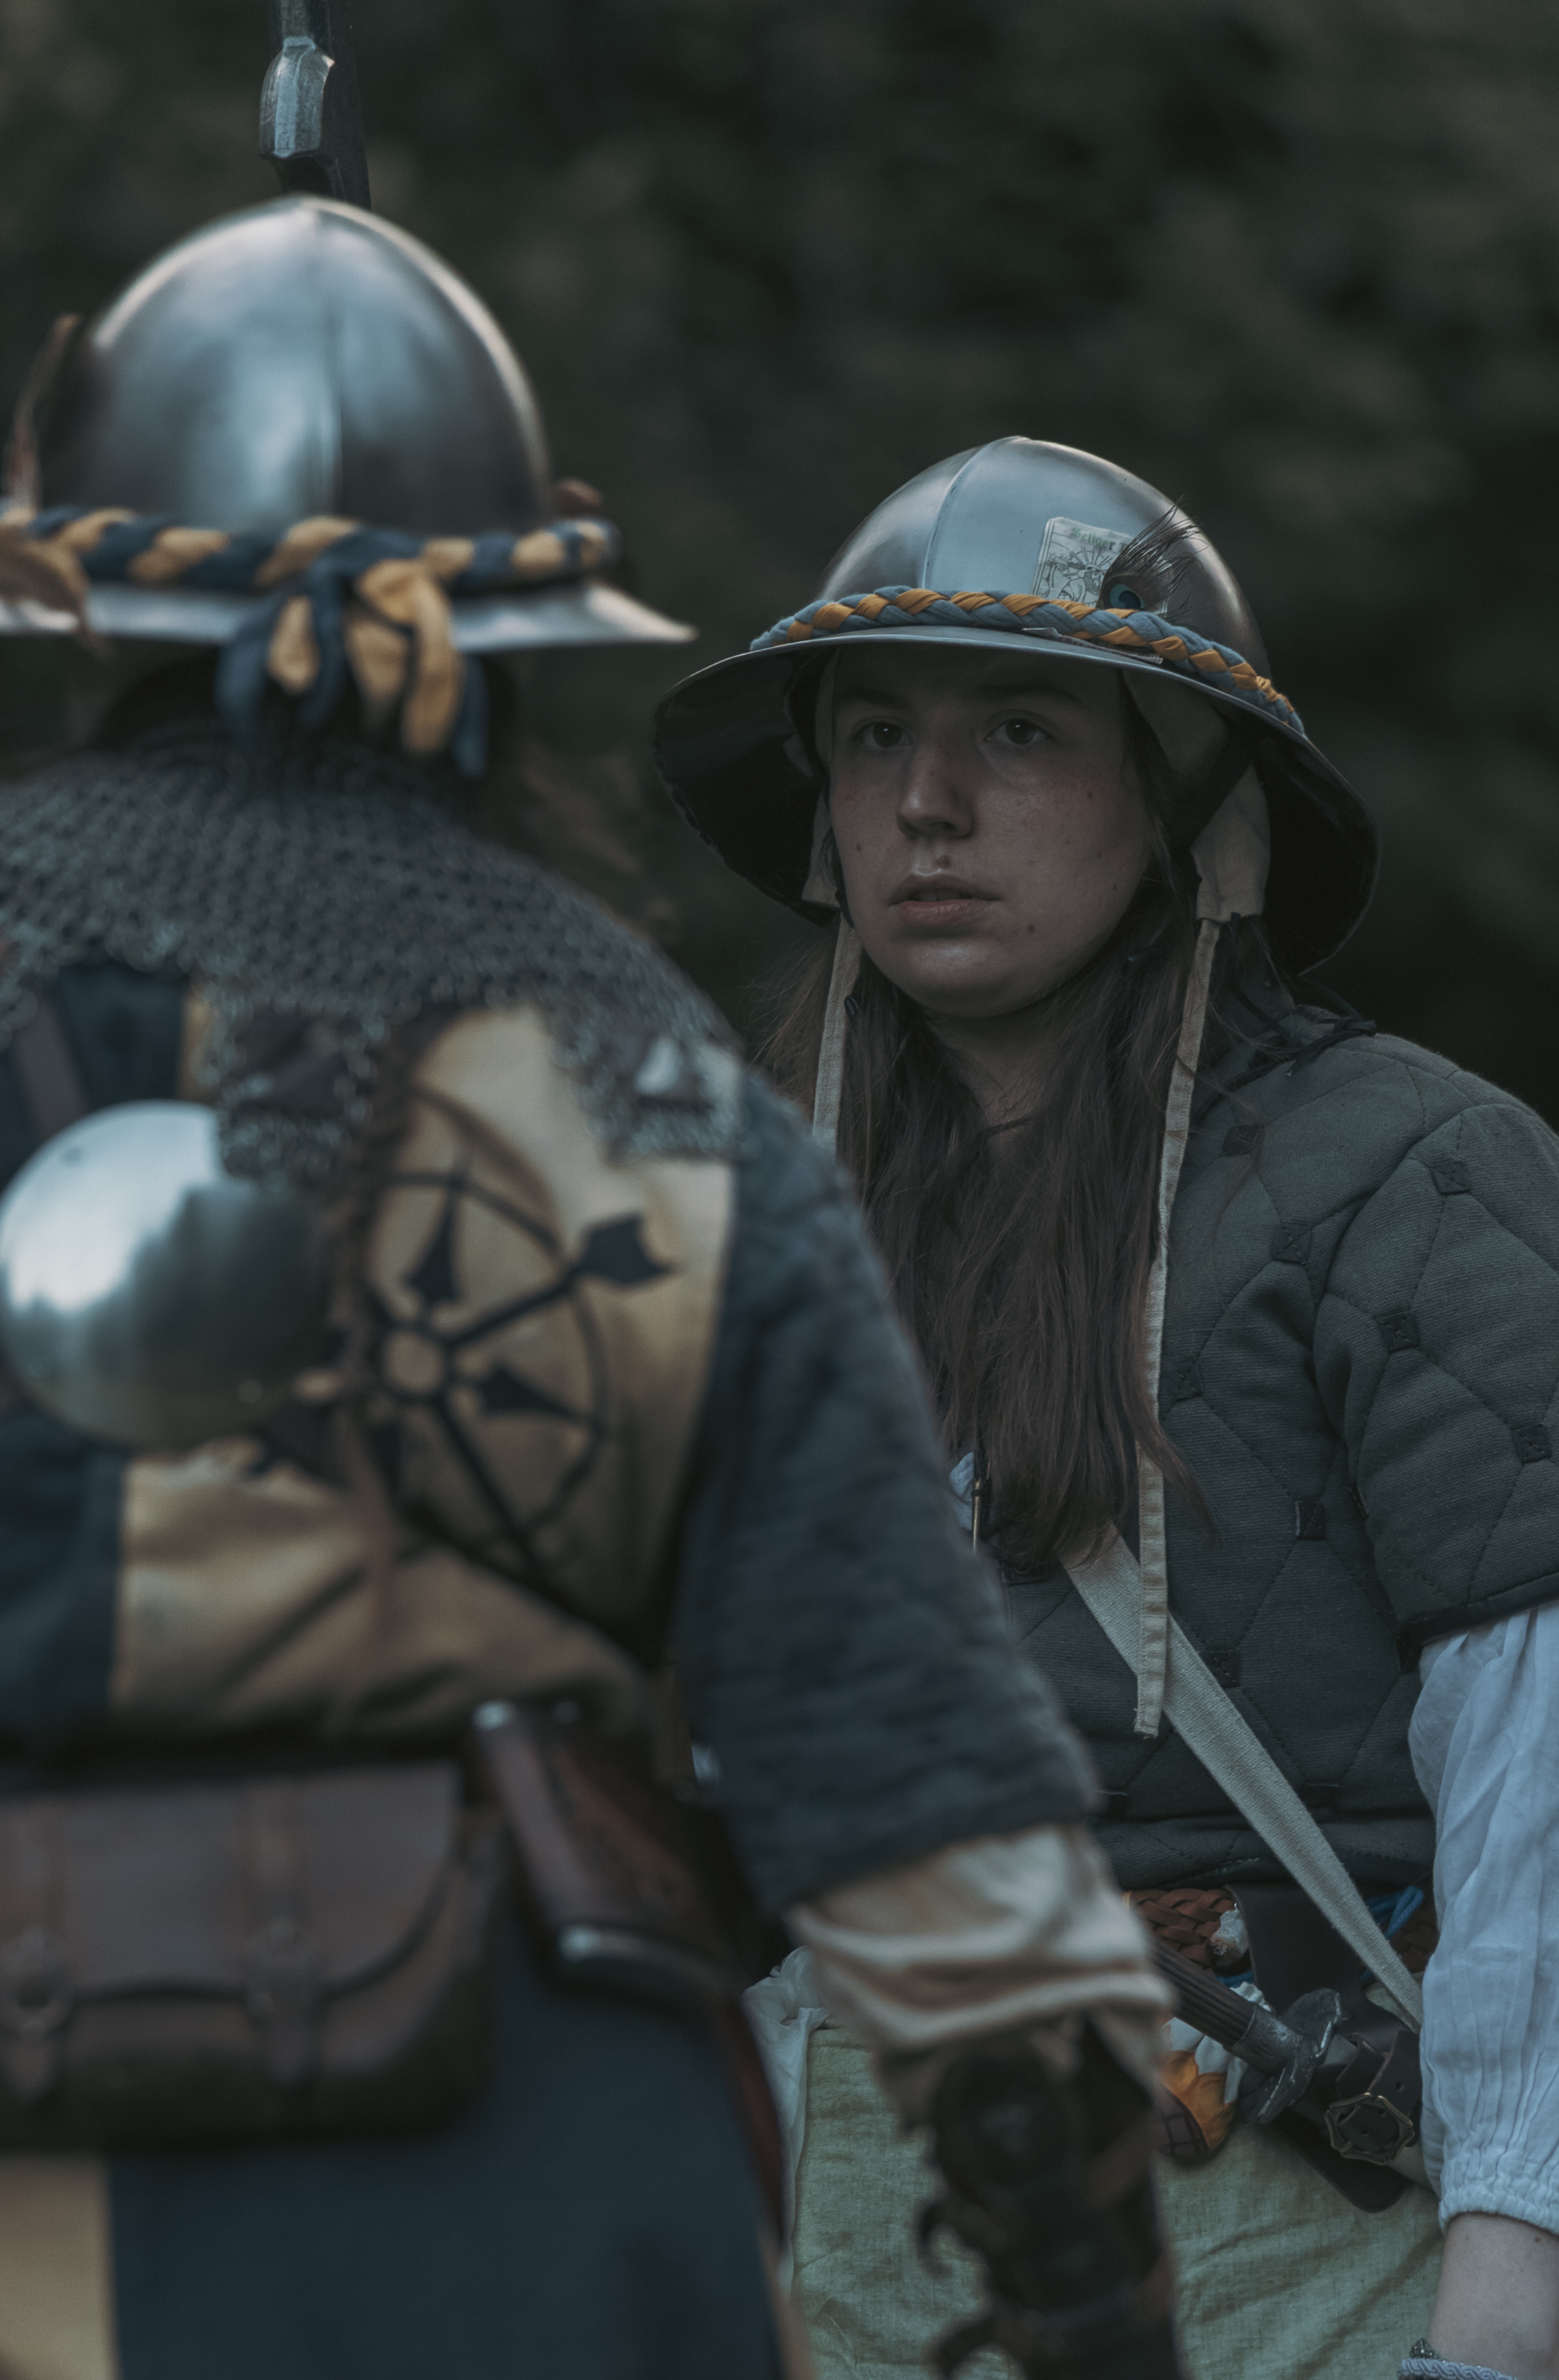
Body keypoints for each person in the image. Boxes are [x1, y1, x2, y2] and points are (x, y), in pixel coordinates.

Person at [0, 224, 1179, 2380]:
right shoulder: (658, 1103)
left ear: (95, 612)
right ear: (501, 653)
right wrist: (1096, 2311)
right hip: (533, 2184)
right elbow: (920, 1824)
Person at [653, 436, 1559, 2380]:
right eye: (873, 735)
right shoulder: (731, 1207)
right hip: (841, 2236)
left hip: (1304, 2245)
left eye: (1019, 732)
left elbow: (1537, 1771)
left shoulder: (1415, 1176)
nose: (927, 803)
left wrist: (1501, 2314)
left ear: (1182, 789)